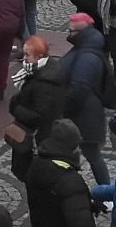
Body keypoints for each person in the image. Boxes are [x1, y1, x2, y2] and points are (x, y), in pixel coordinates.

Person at [7, 33, 70, 180]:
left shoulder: (44, 83)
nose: (24, 58)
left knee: (29, 173)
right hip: (38, 133)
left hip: (36, 136)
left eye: (27, 55)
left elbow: (40, 115)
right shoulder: (41, 70)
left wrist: (16, 108)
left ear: (39, 56)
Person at [60, 11, 113, 185]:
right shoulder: (85, 47)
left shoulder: (87, 56)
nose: (68, 34)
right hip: (84, 114)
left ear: (81, 32)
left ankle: (105, 191)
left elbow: (79, 88)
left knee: (92, 155)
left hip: (83, 116)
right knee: (90, 155)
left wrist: (63, 111)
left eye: (71, 31)